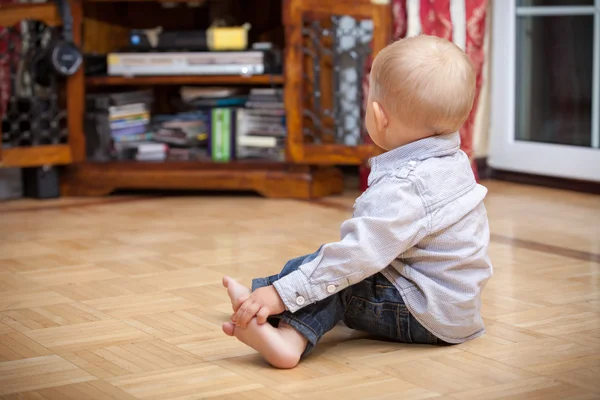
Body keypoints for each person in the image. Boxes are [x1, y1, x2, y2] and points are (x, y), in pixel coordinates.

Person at [222, 34, 493, 369]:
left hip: (423, 314)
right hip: (457, 310)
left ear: (378, 116)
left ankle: (286, 339)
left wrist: (285, 293)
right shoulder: (454, 161)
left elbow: (355, 258)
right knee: (320, 266)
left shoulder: (404, 186)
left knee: (337, 275)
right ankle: (261, 302)